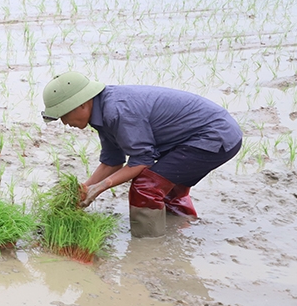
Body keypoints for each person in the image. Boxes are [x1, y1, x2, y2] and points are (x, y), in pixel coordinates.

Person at [41, 71, 242, 238]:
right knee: (167, 183)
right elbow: (113, 161)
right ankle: (180, 227)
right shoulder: (101, 112)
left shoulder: (117, 110)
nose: (65, 122)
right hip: (198, 137)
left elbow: (142, 160)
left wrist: (100, 187)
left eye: (64, 115)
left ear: (82, 104)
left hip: (213, 136)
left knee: (146, 187)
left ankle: (148, 246)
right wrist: (84, 190)